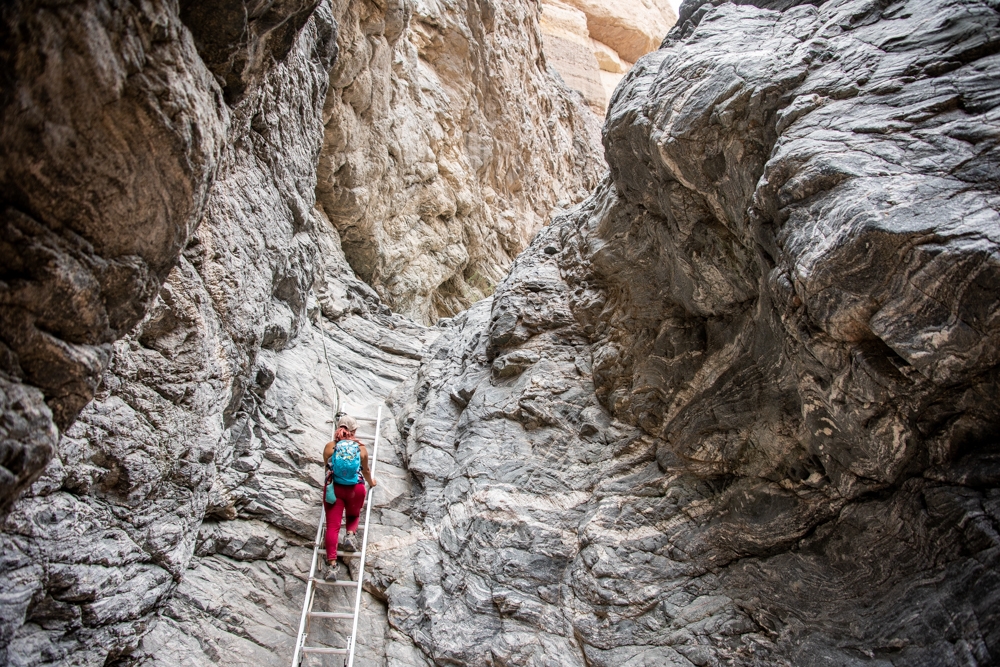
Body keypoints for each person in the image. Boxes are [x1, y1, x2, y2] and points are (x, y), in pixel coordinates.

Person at [322, 414, 377, 581]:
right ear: (353, 431)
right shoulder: (360, 448)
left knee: (332, 526)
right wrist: (371, 482)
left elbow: (326, 466)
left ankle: (331, 565)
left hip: (334, 490)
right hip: (355, 489)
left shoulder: (330, 447)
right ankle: (351, 535)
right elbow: (366, 471)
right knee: (353, 515)